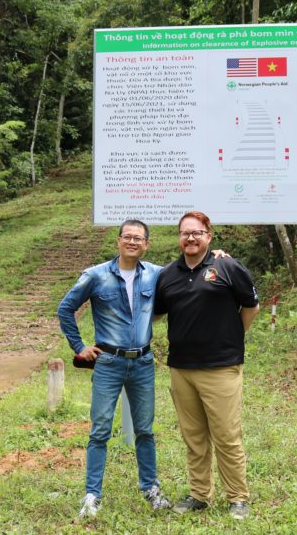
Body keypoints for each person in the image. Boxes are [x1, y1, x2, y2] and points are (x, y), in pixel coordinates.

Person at [57, 219, 170, 518]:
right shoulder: (96, 276)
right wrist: (79, 347)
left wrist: (217, 255)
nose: (133, 242)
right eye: (127, 237)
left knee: (145, 430)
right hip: (108, 363)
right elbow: (65, 308)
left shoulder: (156, 275)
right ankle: (92, 495)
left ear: (147, 244)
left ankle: (150, 488)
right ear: (118, 240)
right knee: (100, 430)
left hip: (143, 362)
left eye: (139, 238)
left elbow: (189, 268)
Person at [153, 211, 259, 520]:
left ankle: (238, 497)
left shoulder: (227, 267)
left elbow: (251, 307)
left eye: (197, 232)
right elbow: (157, 313)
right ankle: (200, 494)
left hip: (221, 367)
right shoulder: (168, 275)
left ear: (208, 236)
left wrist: (232, 337)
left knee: (226, 436)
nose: (190, 237)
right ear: (179, 238)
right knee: (194, 437)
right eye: (185, 233)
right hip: (181, 369)